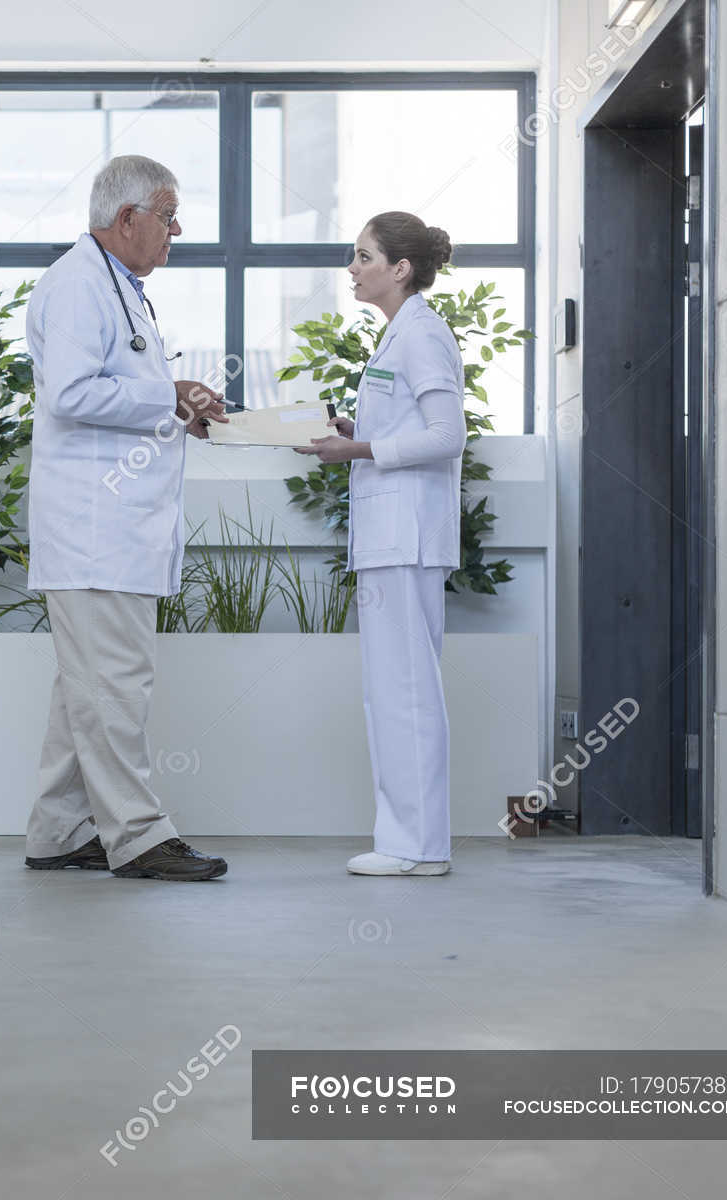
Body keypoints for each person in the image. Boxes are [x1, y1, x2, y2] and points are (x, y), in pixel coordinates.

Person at [21, 154, 230, 882]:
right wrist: (165, 397)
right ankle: (139, 834)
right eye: (169, 217)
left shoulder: (121, 290)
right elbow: (72, 395)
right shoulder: (79, 285)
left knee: (85, 687)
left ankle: (59, 829)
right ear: (127, 219)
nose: (177, 230)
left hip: (112, 529)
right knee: (114, 685)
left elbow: (124, 393)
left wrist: (179, 412)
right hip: (93, 531)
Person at [294, 211, 463, 877]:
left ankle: (413, 846)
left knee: (405, 692)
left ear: (401, 268)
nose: (353, 268)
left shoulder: (422, 334)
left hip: (407, 538)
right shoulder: (401, 335)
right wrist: (352, 428)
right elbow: (409, 426)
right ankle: (413, 844)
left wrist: (357, 446)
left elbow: (447, 436)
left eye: (364, 257)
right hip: (392, 537)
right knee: (394, 691)